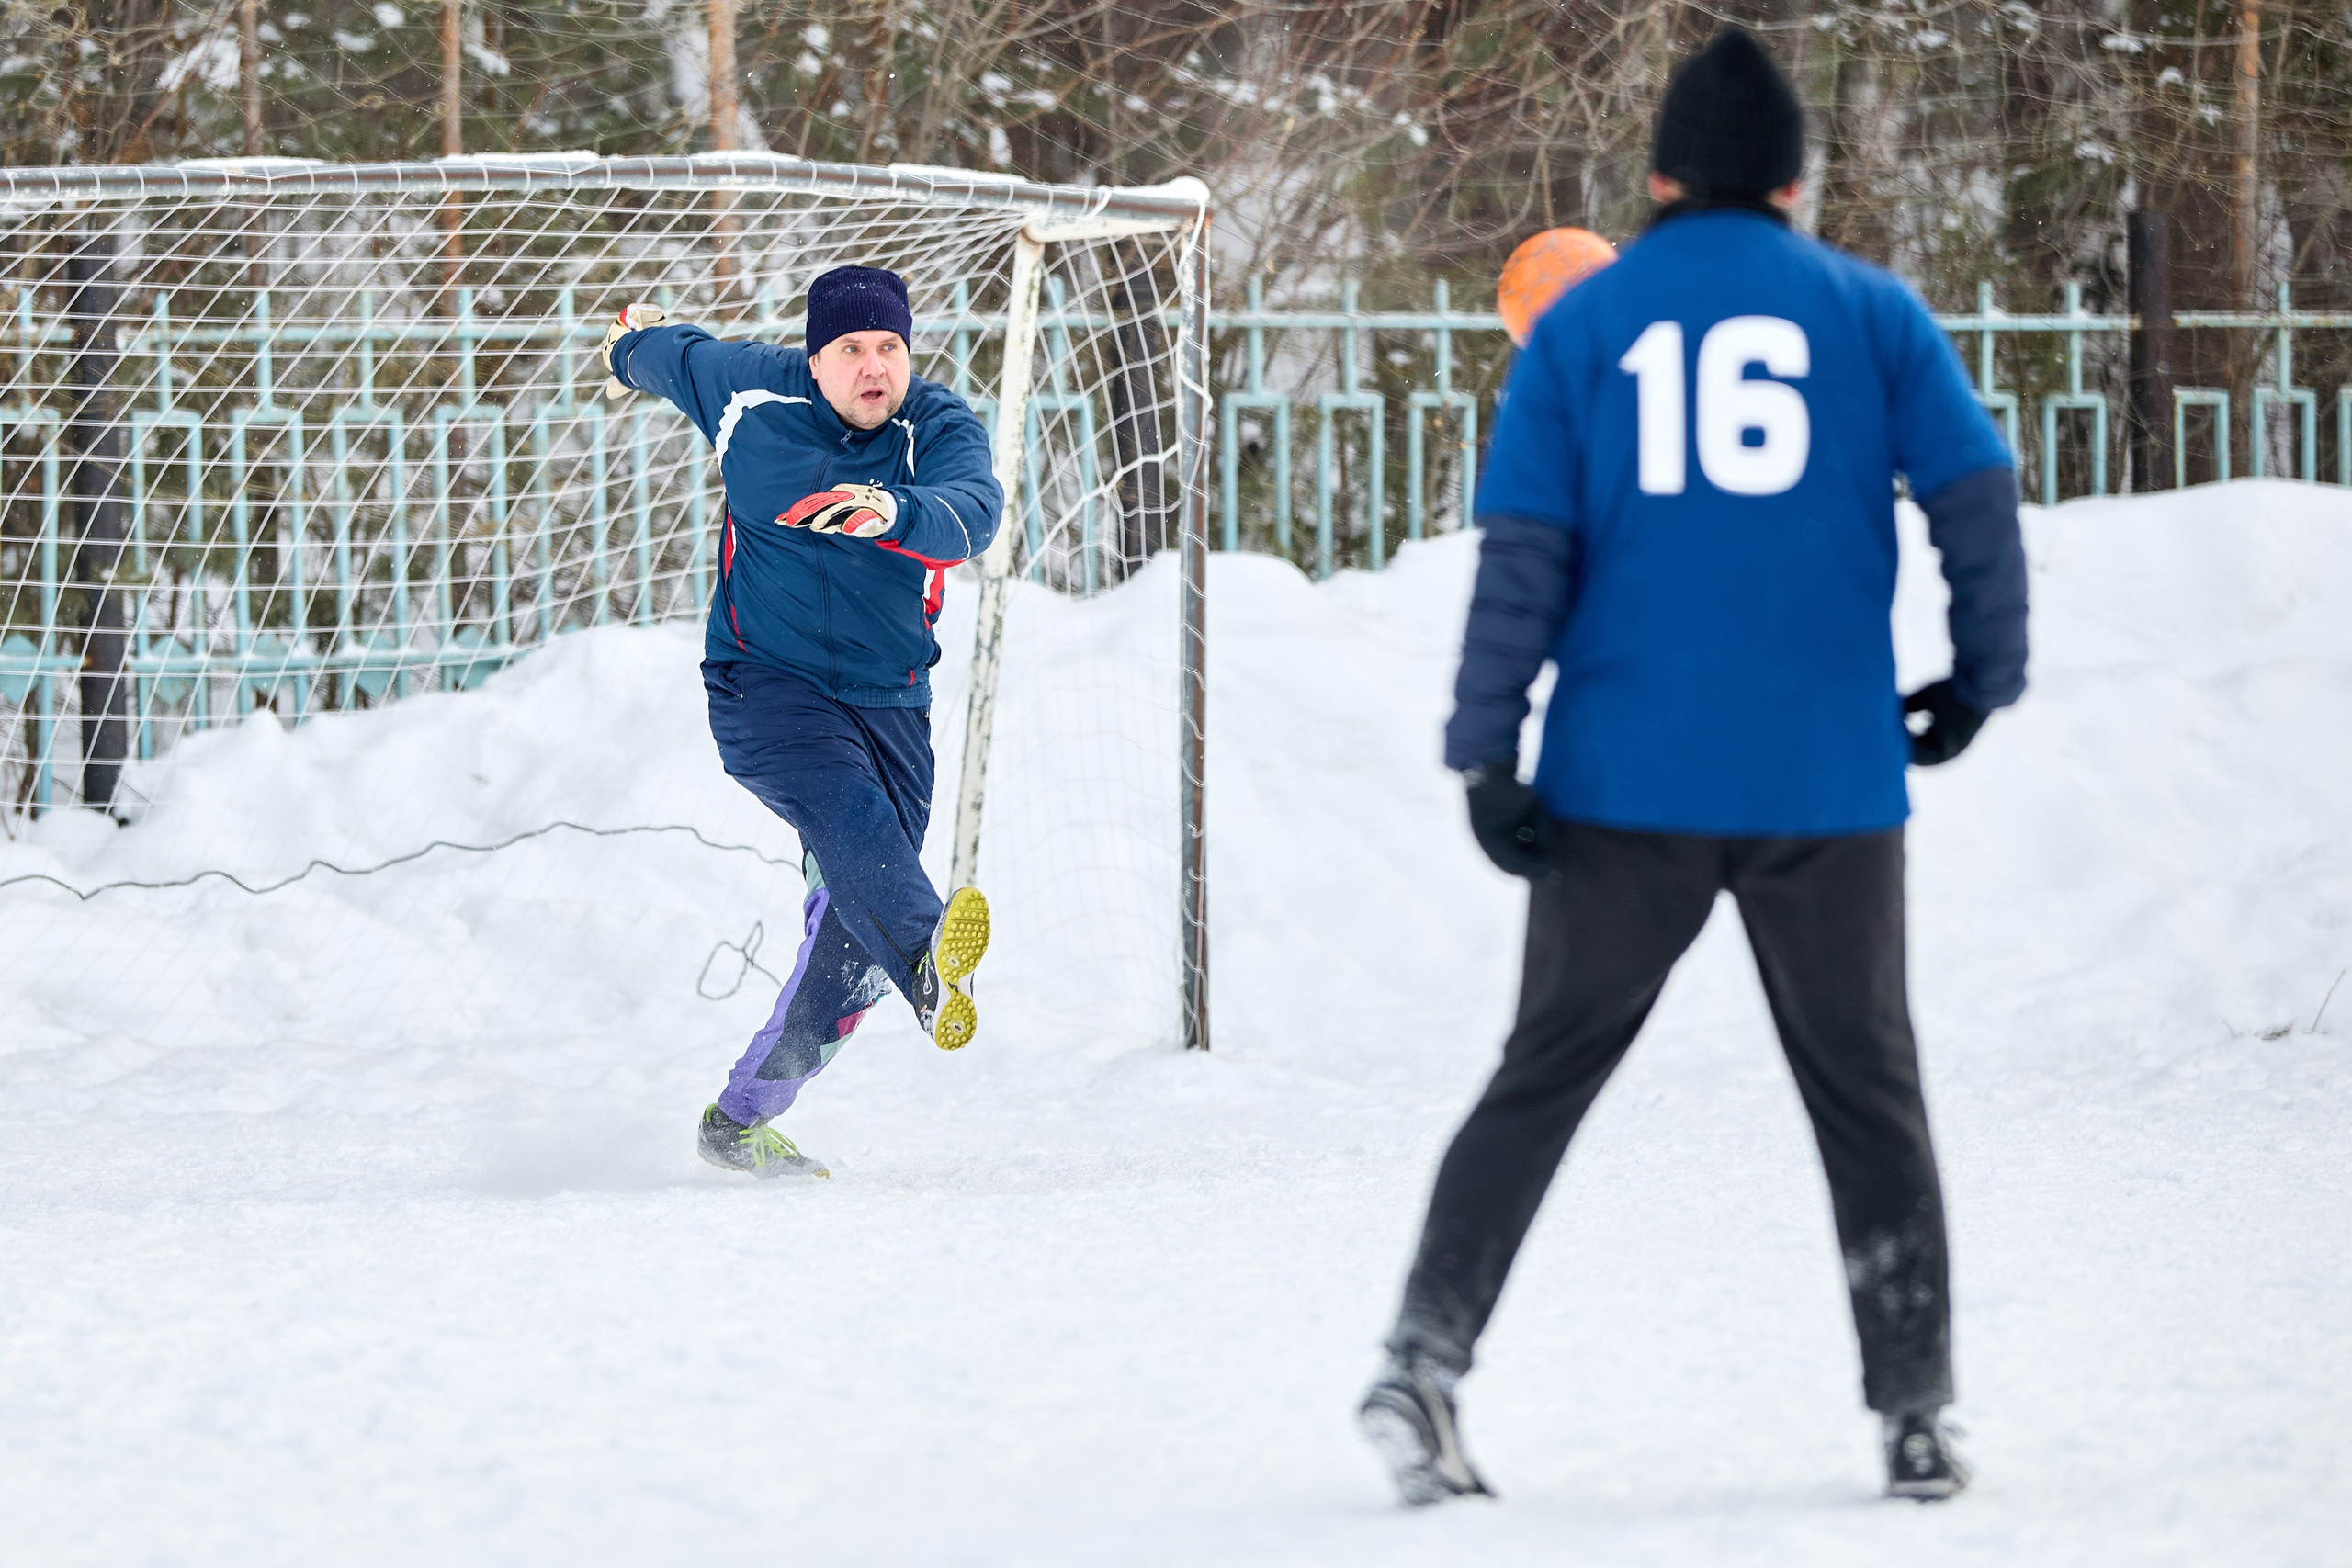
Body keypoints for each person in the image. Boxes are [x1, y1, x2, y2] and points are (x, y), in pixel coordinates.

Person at [1357, 27, 2028, 1506]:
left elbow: (1526, 557)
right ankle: (1916, 1411)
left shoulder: (1589, 329)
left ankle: (1422, 1358)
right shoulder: (1869, 311)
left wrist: (1487, 749)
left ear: (1657, 175)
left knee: (1542, 1073)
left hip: (1623, 782)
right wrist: (1984, 675)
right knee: (1869, 1091)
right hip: (1826, 782)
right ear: (1794, 180)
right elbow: (1977, 492)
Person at [602, 265, 1003, 1180]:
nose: (874, 368)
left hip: (892, 702)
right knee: (859, 835)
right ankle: (930, 958)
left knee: (847, 952)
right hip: (764, 686)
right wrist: (630, 343)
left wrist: (888, 510)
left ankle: (741, 1117)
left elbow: (971, 514)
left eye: (890, 348)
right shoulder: (747, 390)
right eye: (852, 350)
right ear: (813, 359)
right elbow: (668, 353)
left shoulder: (934, 426)